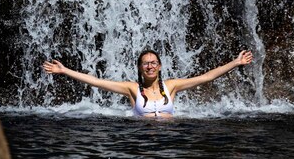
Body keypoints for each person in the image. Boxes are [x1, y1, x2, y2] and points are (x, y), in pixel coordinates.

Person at [43, 49, 253, 118]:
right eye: (146, 64)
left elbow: (206, 77)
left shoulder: (171, 86)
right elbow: (97, 82)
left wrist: (236, 62)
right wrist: (64, 70)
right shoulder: (131, 89)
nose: (150, 66)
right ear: (140, 68)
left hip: (170, 136)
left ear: (160, 66)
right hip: (141, 137)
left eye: (153, 63)